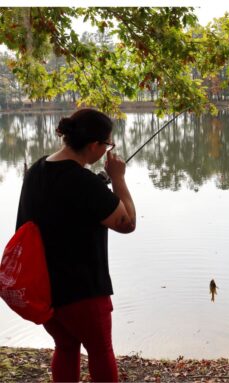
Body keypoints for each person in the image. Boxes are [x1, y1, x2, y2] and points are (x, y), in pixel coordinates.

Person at [16, 108, 136, 382]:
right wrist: (117, 178)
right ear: (94, 146)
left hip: (45, 290)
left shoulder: (37, 170)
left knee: (66, 347)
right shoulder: (84, 183)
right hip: (84, 292)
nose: (107, 150)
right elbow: (127, 223)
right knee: (100, 350)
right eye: (107, 144)